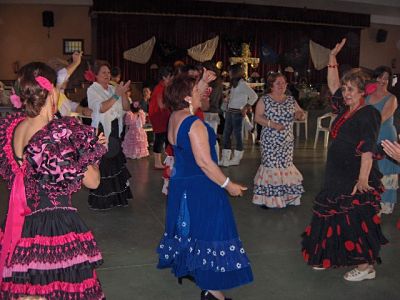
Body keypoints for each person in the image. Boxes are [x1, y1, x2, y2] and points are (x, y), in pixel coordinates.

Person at [0, 62, 107, 299]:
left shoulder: (14, 128)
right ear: (52, 93)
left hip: (22, 225)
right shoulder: (56, 135)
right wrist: (93, 154)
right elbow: (93, 182)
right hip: (54, 226)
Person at [157, 74, 253, 300]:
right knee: (210, 235)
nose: (203, 92)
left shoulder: (175, 116)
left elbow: (191, 94)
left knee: (194, 234)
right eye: (198, 90)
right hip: (202, 187)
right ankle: (211, 291)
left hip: (183, 186)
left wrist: (203, 80)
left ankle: (209, 289)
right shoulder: (194, 123)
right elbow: (205, 163)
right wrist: (229, 185)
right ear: (187, 97)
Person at [301, 39, 388, 281]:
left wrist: (362, 179)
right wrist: (332, 58)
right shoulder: (344, 110)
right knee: (331, 214)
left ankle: (365, 267)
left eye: (351, 89)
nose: (346, 93)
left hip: (355, 174)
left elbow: (368, 149)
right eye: (346, 89)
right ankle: (330, 255)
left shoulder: (369, 113)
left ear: (363, 92)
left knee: (354, 220)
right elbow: (333, 85)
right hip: (335, 172)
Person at [252, 73, 305, 208]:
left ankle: (286, 197)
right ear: (271, 85)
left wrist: (299, 115)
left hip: (286, 141)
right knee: (271, 167)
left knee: (284, 167)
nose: (282, 85)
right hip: (270, 141)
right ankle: (269, 200)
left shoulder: (291, 100)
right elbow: (257, 117)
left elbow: (300, 114)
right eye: (278, 83)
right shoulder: (264, 99)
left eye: (284, 83)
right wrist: (273, 124)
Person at [87, 61, 133, 210]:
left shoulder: (114, 88)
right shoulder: (92, 90)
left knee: (115, 163)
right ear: (96, 76)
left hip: (115, 129)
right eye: (103, 73)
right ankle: (103, 201)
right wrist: (116, 95)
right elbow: (100, 108)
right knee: (104, 164)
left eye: (108, 73)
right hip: (102, 130)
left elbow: (126, 108)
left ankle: (116, 198)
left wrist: (124, 94)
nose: (107, 75)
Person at [365, 66, 400, 214]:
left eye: (386, 78)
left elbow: (381, 118)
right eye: (380, 77)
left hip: (385, 139)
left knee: (384, 172)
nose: (383, 81)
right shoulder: (367, 97)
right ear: (375, 78)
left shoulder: (392, 98)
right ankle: (368, 204)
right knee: (367, 170)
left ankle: (382, 207)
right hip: (368, 136)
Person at [220, 64, 258, 167]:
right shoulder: (234, 84)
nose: (229, 73)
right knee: (226, 135)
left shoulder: (242, 84)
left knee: (237, 136)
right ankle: (225, 158)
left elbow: (254, 96)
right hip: (230, 112)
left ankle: (236, 158)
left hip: (237, 113)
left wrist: (246, 106)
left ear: (236, 72)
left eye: (231, 71)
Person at [56, 51, 92, 118]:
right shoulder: (51, 92)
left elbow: (72, 105)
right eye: (67, 77)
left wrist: (83, 110)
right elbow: (61, 76)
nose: (68, 79)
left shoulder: (61, 94)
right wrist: (75, 63)